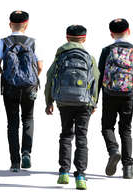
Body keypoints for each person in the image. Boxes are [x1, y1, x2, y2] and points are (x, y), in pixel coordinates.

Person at [45, 25, 99, 190]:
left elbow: (49, 77)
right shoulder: (89, 57)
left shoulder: (60, 55)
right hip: (84, 103)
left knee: (66, 135)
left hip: (64, 101)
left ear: (67, 38)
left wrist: (49, 102)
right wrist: (94, 102)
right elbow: (95, 79)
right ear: (84, 38)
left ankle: (63, 172)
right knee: (82, 138)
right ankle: (81, 176)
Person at [0, 10, 43, 172]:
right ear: (26, 25)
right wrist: (30, 77)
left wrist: (5, 73)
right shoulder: (33, 42)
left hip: (10, 87)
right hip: (29, 87)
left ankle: (15, 162)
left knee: (12, 123)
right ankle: (26, 153)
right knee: (28, 118)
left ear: (10, 24)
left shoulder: (3, 42)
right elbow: (40, 66)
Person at [98, 18, 133, 179]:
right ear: (129, 31)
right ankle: (128, 168)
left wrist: (94, 101)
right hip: (129, 95)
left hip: (110, 94)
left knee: (107, 127)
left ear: (111, 34)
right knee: (125, 129)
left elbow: (99, 77)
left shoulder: (107, 50)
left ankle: (113, 151)